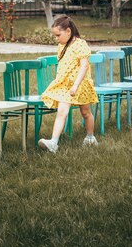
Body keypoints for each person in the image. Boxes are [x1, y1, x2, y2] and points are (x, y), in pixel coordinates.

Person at [38, 15, 99, 153]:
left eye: (58, 35)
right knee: (62, 111)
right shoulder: (62, 46)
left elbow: (84, 66)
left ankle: (90, 137)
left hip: (80, 84)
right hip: (65, 85)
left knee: (86, 113)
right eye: (55, 36)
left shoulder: (80, 45)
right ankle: (53, 142)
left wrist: (76, 85)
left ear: (68, 31)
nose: (56, 38)